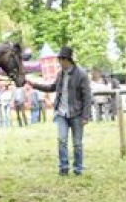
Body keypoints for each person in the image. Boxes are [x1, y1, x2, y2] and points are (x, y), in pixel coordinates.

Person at [31, 45, 92, 175]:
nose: (60, 63)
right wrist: (35, 85)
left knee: (77, 144)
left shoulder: (81, 74)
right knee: (62, 140)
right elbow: (52, 87)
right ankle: (63, 168)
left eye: (61, 60)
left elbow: (87, 96)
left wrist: (86, 116)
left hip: (77, 114)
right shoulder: (60, 74)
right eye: (59, 60)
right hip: (61, 113)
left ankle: (78, 169)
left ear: (68, 60)